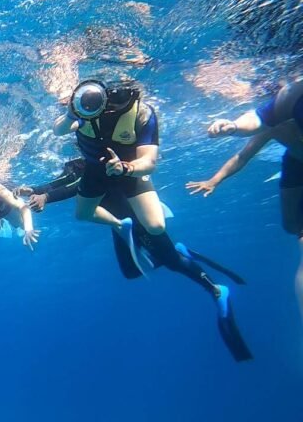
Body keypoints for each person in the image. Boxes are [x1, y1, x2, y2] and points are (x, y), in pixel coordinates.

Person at [15, 158, 253, 361]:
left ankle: (214, 288)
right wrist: (36, 189)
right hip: (119, 222)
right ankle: (178, 251)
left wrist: (46, 196)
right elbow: (64, 181)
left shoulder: (98, 156)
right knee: (132, 272)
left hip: (132, 214)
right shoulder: (76, 163)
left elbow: (77, 185)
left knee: (172, 261)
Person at [187, 78, 303, 321]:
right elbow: (242, 156)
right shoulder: (273, 124)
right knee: (291, 226)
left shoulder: (292, 103)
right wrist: (214, 180)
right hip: (296, 164)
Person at [52, 79, 165, 245]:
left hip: (130, 169)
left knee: (157, 226)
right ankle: (119, 224)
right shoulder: (89, 107)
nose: (113, 104)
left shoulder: (142, 113)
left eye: (121, 95)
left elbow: (149, 162)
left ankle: (142, 205)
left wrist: (126, 168)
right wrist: (70, 115)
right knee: (83, 215)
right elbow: (58, 130)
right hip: (96, 170)